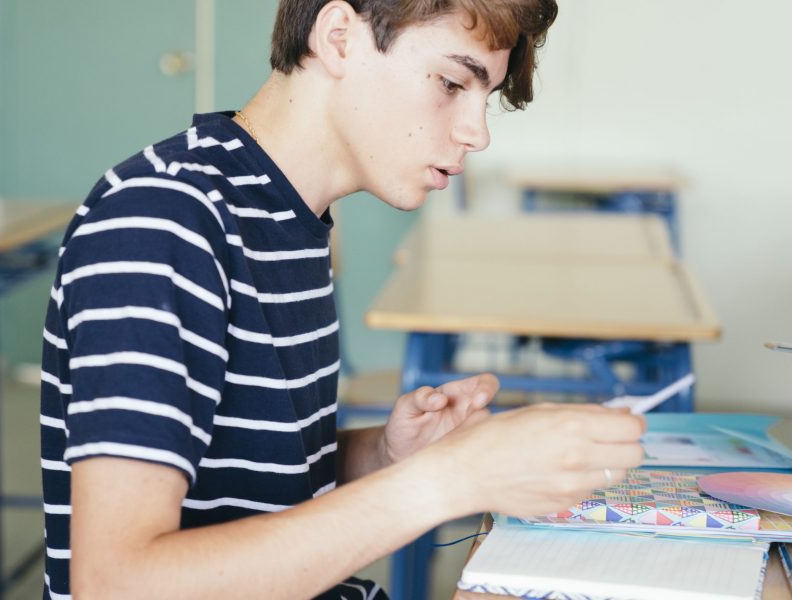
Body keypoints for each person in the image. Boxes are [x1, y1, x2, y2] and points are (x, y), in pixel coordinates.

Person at [40, 1, 645, 598]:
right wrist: (449, 480)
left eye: (482, 99)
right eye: (451, 82)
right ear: (338, 38)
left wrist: (385, 454)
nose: (476, 133)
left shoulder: (290, 217)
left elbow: (253, 479)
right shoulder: (161, 220)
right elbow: (115, 582)